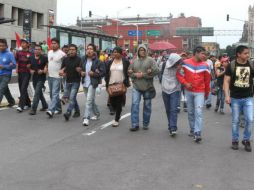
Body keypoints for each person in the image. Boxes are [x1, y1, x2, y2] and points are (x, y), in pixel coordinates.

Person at [176, 46, 210, 142]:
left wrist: (207, 93)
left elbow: (207, 81)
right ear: (196, 53)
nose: (204, 56)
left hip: (200, 91)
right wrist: (185, 83)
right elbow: (178, 74)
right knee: (190, 112)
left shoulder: (206, 65)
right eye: (202, 53)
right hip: (188, 91)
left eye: (205, 54)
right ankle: (192, 129)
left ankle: (197, 132)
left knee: (198, 112)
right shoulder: (185, 63)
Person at [224, 45, 254, 152]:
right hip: (235, 98)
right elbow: (226, 81)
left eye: (248, 53)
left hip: (249, 97)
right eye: (245, 53)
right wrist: (227, 96)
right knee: (235, 120)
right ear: (239, 54)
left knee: (250, 119)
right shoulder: (231, 65)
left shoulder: (251, 64)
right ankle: (235, 140)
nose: (248, 55)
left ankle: (246, 140)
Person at [128, 44, 159, 131]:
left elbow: (157, 71)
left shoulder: (151, 60)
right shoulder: (134, 61)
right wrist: (134, 74)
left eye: (144, 50)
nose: (142, 52)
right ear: (138, 51)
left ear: (146, 51)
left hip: (148, 87)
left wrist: (146, 73)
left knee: (147, 106)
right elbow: (129, 72)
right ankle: (135, 124)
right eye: (141, 50)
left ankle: (145, 123)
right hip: (136, 86)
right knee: (135, 104)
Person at [105, 46, 130, 127]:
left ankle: (116, 119)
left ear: (120, 53)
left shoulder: (125, 62)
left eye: (116, 52)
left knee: (119, 102)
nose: (115, 54)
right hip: (111, 84)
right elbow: (107, 73)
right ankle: (117, 110)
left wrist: (127, 82)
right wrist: (106, 83)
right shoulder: (110, 62)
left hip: (121, 84)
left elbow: (127, 72)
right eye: (114, 52)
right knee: (112, 102)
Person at [81, 44, 105, 126]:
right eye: (87, 49)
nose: (89, 50)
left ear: (94, 51)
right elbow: (80, 69)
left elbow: (102, 73)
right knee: (91, 100)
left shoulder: (98, 62)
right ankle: (97, 114)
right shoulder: (83, 59)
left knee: (88, 101)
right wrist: (81, 72)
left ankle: (86, 118)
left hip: (93, 83)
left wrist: (94, 74)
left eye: (91, 49)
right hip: (85, 82)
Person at [161, 53, 183, 136]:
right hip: (165, 89)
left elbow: (183, 77)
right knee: (168, 109)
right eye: (176, 61)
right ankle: (170, 124)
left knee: (173, 109)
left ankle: (173, 127)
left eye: (179, 61)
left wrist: (180, 70)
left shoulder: (180, 66)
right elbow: (160, 74)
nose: (178, 62)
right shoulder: (164, 64)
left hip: (175, 89)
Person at [59, 44, 82, 121]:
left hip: (76, 81)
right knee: (72, 98)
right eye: (70, 50)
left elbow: (82, 70)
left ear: (76, 51)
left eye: (73, 50)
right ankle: (77, 111)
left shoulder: (79, 59)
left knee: (72, 97)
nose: (71, 51)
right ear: (68, 51)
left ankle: (68, 112)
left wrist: (80, 70)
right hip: (67, 81)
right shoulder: (65, 59)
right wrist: (62, 72)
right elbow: (62, 69)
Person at [46, 38, 66, 118]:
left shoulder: (62, 54)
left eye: (55, 43)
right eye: (52, 43)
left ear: (58, 44)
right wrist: (46, 67)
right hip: (50, 76)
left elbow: (67, 64)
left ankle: (51, 110)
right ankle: (59, 109)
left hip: (57, 77)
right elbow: (49, 62)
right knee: (52, 94)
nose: (53, 45)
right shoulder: (49, 52)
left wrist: (63, 70)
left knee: (54, 93)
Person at [29, 44, 48, 115]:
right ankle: (45, 105)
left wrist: (43, 71)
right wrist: (30, 70)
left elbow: (47, 67)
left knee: (36, 93)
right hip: (34, 78)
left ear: (41, 50)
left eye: (38, 49)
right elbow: (29, 66)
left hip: (41, 78)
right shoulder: (31, 57)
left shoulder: (44, 58)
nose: (37, 51)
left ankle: (33, 109)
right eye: (35, 49)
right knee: (39, 93)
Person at [16, 39, 32, 112]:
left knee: (23, 88)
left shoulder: (31, 54)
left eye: (24, 43)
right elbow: (16, 62)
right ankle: (28, 103)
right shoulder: (18, 53)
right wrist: (16, 69)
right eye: (21, 43)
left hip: (27, 73)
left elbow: (33, 62)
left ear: (27, 44)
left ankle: (21, 106)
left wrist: (30, 65)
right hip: (20, 72)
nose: (22, 44)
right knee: (21, 88)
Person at [0, 39, 16, 107]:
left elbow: (14, 65)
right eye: (0, 46)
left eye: (3, 46)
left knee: (1, 89)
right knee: (5, 89)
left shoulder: (10, 54)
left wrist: (4, 67)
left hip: (6, 75)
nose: (1, 47)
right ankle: (11, 101)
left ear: (6, 46)